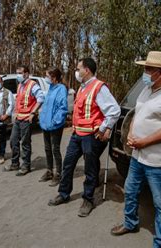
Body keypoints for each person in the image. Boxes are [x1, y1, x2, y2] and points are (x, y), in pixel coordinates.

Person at [110, 51, 161, 248]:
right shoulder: (148, 88)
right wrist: (130, 132)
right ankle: (130, 223)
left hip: (160, 160)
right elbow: (137, 113)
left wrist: (144, 142)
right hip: (139, 155)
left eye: (148, 69)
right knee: (130, 190)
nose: (144, 73)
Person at [48, 58, 120, 217]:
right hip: (77, 134)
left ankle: (88, 199)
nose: (76, 71)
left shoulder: (99, 87)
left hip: (91, 136)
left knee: (90, 169)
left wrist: (103, 128)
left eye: (78, 68)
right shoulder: (81, 88)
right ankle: (64, 193)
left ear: (86, 70)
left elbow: (114, 110)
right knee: (68, 164)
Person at [7, 65, 45, 176]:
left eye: (20, 72)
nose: (18, 75)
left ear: (26, 73)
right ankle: (15, 163)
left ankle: (26, 165)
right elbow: (18, 101)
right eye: (17, 72)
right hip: (18, 118)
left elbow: (41, 98)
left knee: (25, 142)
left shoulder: (32, 85)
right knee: (13, 140)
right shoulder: (20, 85)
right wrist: (14, 114)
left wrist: (33, 113)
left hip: (26, 119)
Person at [38, 67, 68, 186]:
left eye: (47, 76)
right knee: (47, 148)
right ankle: (49, 171)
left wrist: (55, 122)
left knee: (55, 149)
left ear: (54, 78)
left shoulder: (61, 89)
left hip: (55, 126)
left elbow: (62, 108)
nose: (46, 78)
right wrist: (42, 119)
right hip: (46, 125)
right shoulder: (51, 88)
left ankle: (58, 173)